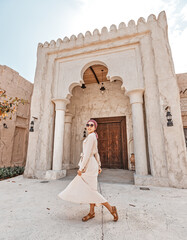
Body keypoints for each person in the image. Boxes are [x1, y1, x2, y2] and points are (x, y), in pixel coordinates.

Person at [58, 119, 118, 222]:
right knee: (91, 190)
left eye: (91, 125)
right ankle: (92, 212)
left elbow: (87, 154)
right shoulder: (93, 136)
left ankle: (111, 208)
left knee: (91, 191)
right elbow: (96, 153)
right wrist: (99, 165)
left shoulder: (91, 137)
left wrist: (81, 168)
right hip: (91, 164)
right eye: (88, 125)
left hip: (88, 166)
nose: (89, 126)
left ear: (95, 127)